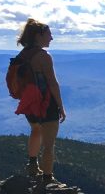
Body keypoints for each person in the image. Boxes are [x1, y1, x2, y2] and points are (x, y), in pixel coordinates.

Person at [15, 18, 66, 183]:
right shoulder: (44, 56)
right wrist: (60, 106)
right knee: (49, 145)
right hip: (45, 104)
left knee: (36, 130)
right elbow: (52, 83)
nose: (51, 38)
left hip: (29, 103)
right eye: (49, 34)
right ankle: (47, 179)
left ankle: (32, 164)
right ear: (39, 35)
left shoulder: (23, 55)